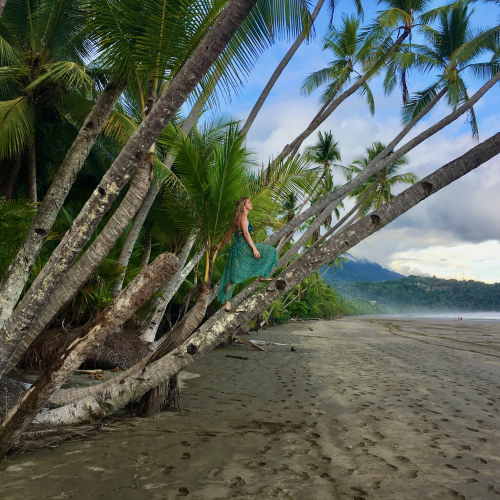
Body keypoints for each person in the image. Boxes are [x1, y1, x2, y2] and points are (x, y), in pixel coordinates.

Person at [216, 197, 278, 312]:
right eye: (249, 202)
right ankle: (263, 275)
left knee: (232, 276)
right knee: (271, 251)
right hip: (244, 246)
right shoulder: (243, 217)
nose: (251, 204)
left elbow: (229, 234)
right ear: (244, 205)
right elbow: (245, 233)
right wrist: (254, 249)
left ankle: (228, 303)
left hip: (236, 248)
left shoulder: (236, 218)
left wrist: (221, 246)